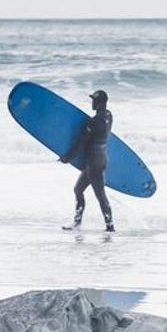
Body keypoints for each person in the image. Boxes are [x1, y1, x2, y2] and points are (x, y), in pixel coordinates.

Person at [63, 89, 115, 232]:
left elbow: (81, 143)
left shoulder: (94, 122)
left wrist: (68, 157)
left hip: (94, 163)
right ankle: (77, 222)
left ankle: (110, 227)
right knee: (78, 190)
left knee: (100, 195)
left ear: (98, 103)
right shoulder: (109, 116)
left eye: (94, 100)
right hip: (102, 158)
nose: (92, 102)